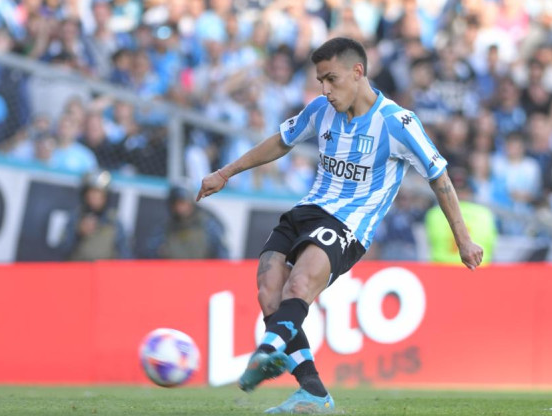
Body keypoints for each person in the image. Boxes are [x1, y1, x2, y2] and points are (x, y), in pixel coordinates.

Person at [197, 37, 483, 414]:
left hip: (350, 223)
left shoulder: (397, 122)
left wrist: (463, 239)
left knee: (298, 284)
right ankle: (313, 391)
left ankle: (265, 353)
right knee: (268, 289)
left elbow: (439, 177)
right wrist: (226, 172)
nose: (325, 90)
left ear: (357, 72)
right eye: (320, 81)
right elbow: (281, 141)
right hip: (307, 210)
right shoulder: (320, 110)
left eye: (331, 79)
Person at [425, 168, 496, 265]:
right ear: (470, 192)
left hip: (441, 269)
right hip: (477, 270)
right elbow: (491, 244)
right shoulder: (485, 214)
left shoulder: (433, 214)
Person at [59, 170, 132, 261]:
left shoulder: (114, 222)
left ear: (105, 197)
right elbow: (62, 252)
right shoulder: (75, 218)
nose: (95, 198)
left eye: (99, 193)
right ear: (85, 195)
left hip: (104, 272)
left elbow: (125, 255)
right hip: (77, 271)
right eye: (92, 193)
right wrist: (78, 234)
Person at [143, 185, 229, 259]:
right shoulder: (164, 229)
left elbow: (222, 255)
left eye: (182, 203)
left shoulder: (207, 226)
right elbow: (150, 255)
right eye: (175, 204)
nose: (179, 208)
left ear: (191, 203)